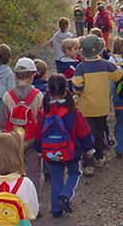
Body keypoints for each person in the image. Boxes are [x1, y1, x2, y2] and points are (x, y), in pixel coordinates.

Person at [35, 74, 94, 218]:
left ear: (49, 90)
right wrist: (89, 148)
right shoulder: (74, 112)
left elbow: (38, 133)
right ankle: (65, 196)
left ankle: (56, 209)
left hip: (50, 153)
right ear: (66, 90)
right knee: (75, 173)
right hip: (71, 152)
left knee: (56, 178)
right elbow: (84, 132)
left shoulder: (44, 112)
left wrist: (39, 149)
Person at [72, 34, 123, 176]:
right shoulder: (106, 65)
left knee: (87, 135)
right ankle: (99, 157)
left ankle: (88, 165)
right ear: (100, 50)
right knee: (99, 132)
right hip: (102, 107)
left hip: (86, 108)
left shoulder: (81, 67)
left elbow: (77, 87)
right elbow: (119, 77)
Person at [0, 58, 44, 194]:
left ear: (15, 75)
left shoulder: (8, 96)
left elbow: (1, 123)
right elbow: (42, 120)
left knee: (13, 172)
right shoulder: (38, 96)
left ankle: (15, 199)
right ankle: (34, 201)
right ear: (33, 75)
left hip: (13, 141)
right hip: (32, 140)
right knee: (33, 173)